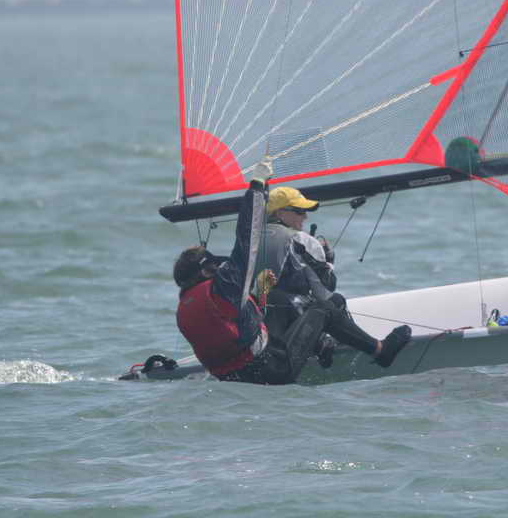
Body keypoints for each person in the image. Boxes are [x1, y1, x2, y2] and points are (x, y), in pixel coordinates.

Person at [172, 163, 408, 384]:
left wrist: (258, 295)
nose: (221, 268)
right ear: (206, 270)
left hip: (232, 377)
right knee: (325, 308)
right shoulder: (223, 286)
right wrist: (257, 186)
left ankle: (318, 344)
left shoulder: (184, 308)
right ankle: (380, 350)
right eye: (215, 266)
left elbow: (233, 329)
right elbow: (246, 234)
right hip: (271, 369)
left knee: (277, 299)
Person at [259, 185, 412, 369]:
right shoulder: (302, 240)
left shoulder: (252, 239)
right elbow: (324, 293)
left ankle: (323, 344)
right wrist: (328, 263)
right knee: (334, 303)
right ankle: (377, 350)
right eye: (300, 211)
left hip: (260, 325)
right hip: (288, 332)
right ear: (280, 213)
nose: (305, 217)